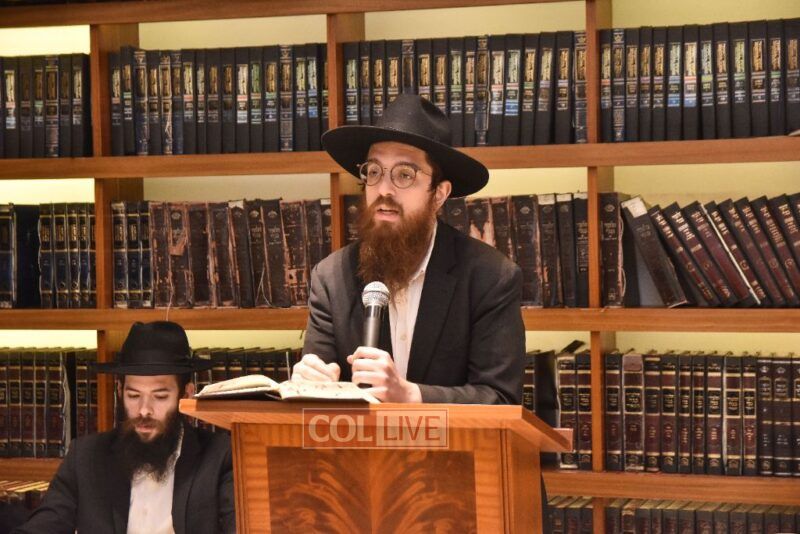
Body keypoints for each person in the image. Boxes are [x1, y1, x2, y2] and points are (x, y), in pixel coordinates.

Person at [294, 93, 525, 405]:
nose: (383, 190)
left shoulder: (491, 278)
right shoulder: (331, 278)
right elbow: (317, 400)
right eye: (374, 172)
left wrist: (410, 395)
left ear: (439, 194)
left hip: (450, 439)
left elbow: (500, 398)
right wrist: (311, 384)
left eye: (404, 174)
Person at [14, 321, 235, 534]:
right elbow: (42, 527)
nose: (144, 410)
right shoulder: (86, 457)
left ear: (186, 394)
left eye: (159, 397)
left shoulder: (220, 456)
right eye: (133, 396)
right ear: (119, 391)